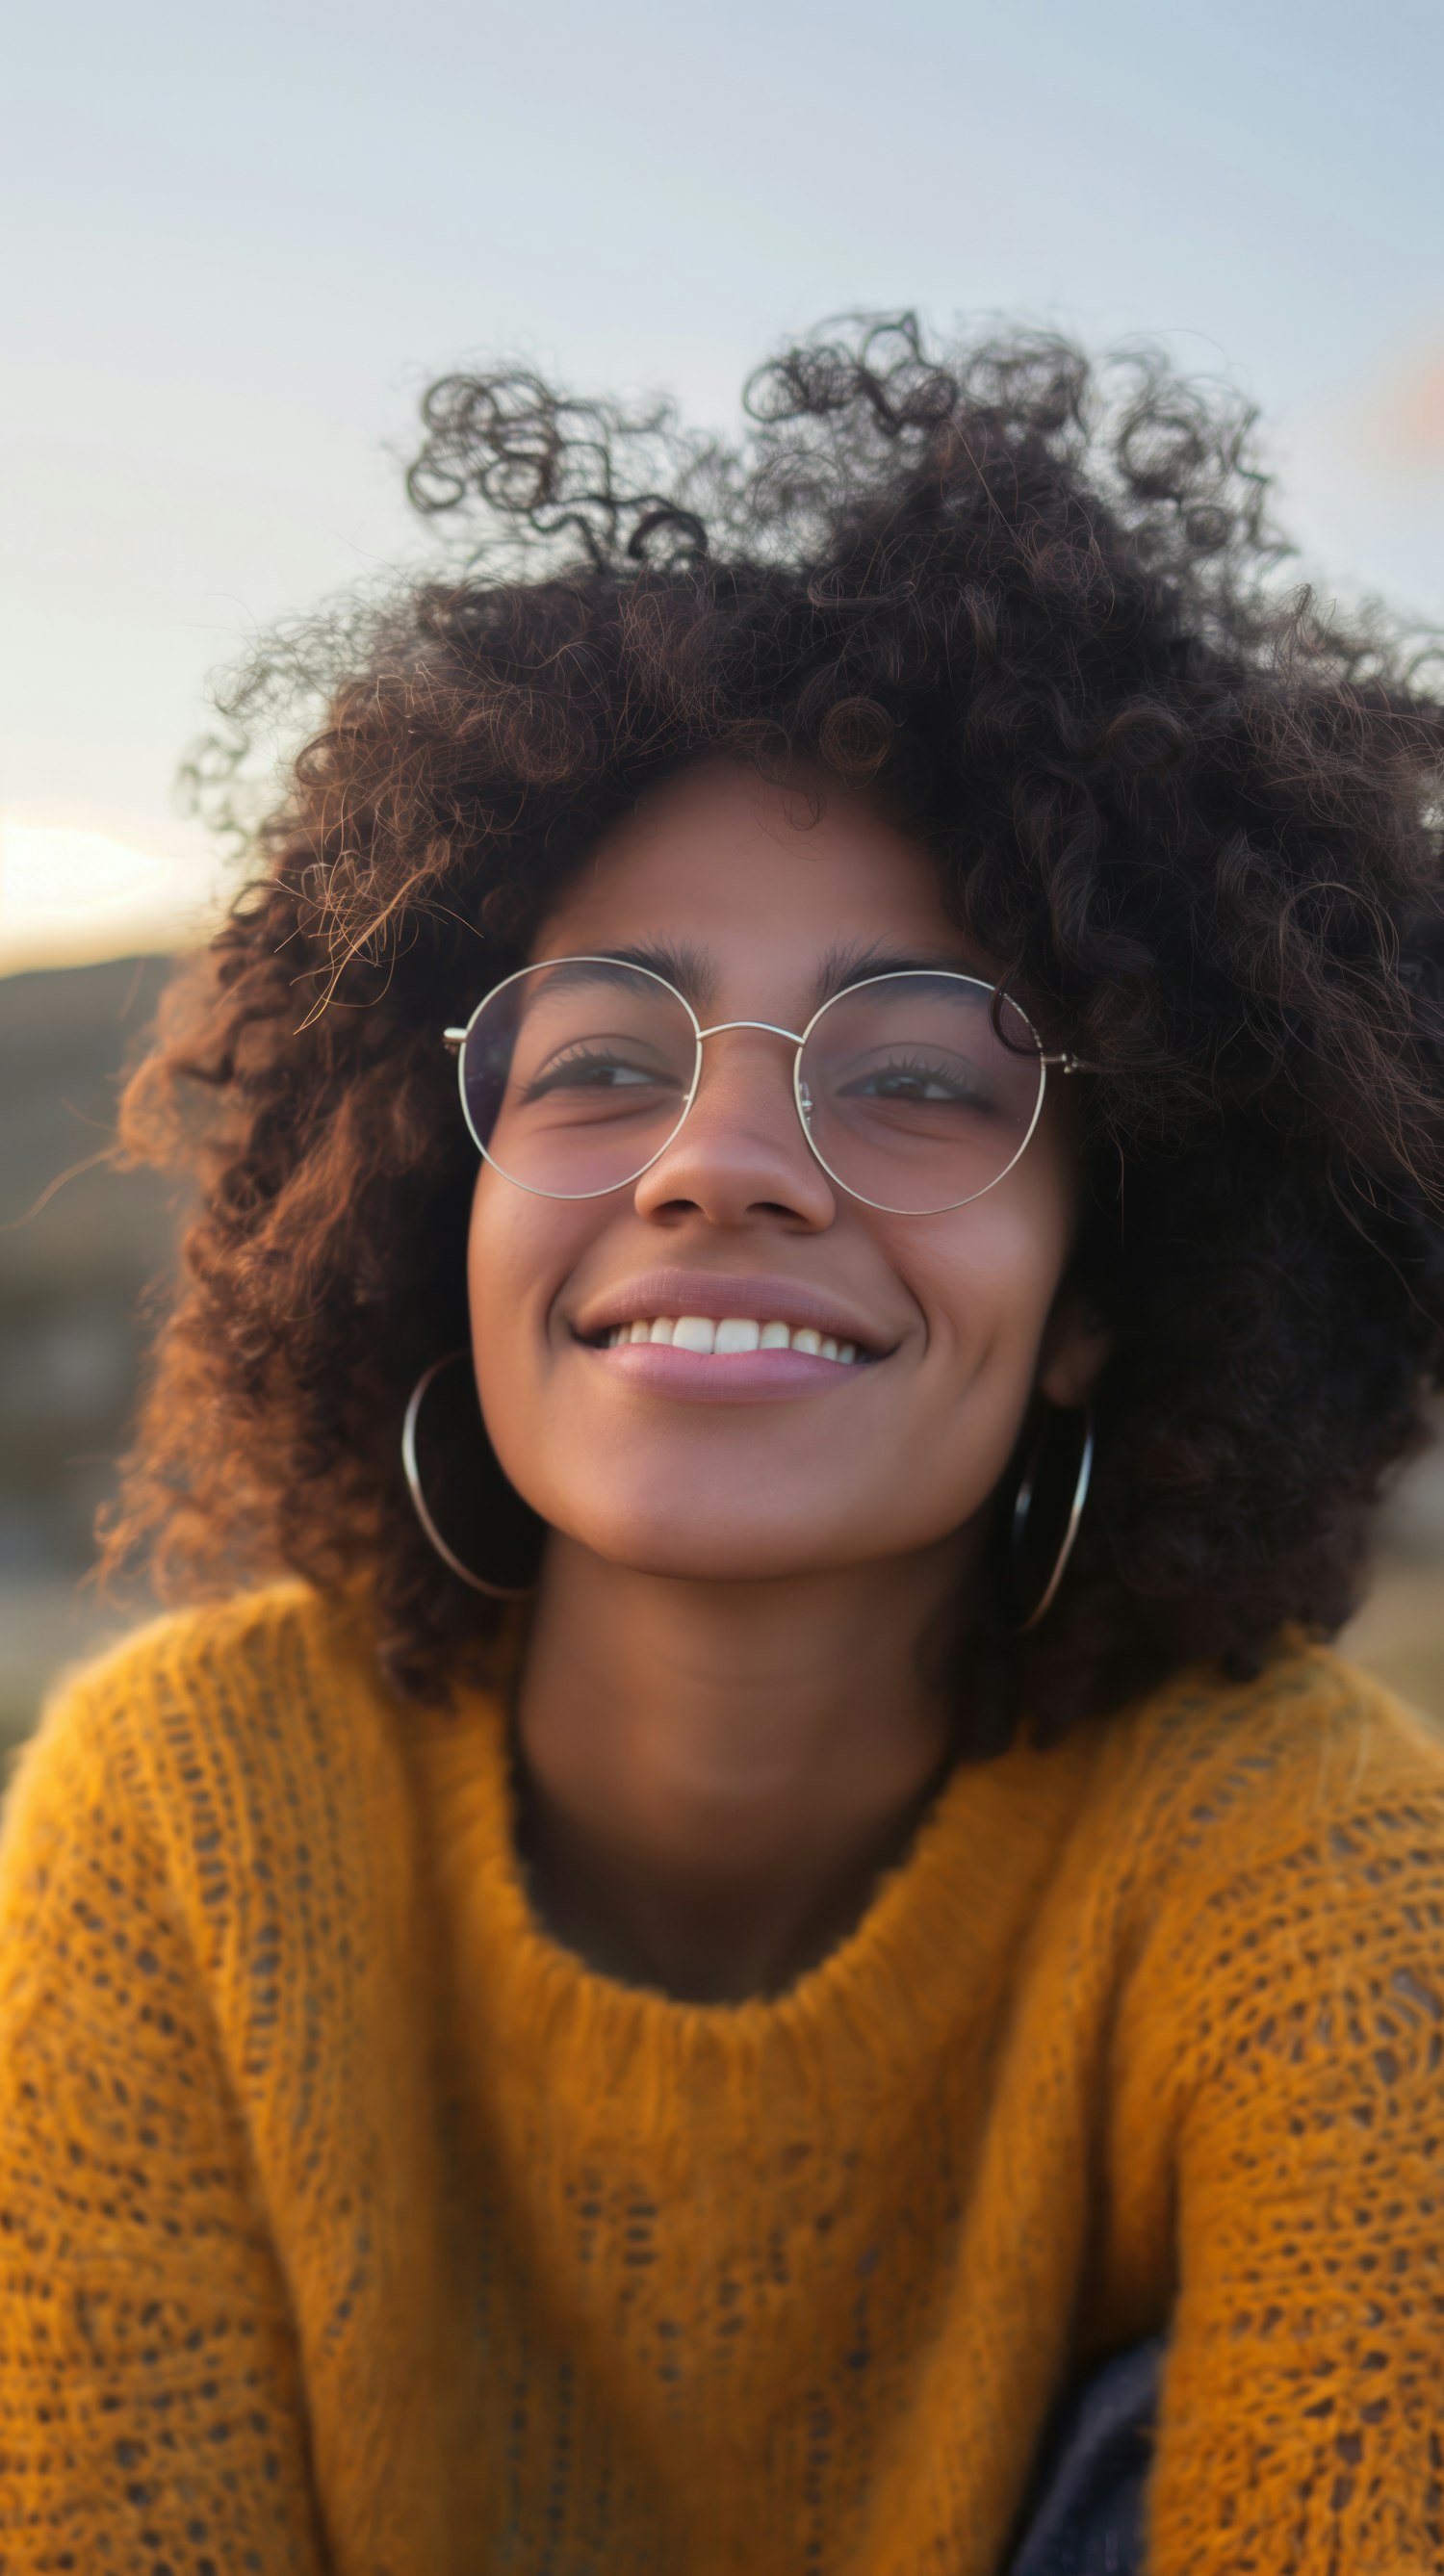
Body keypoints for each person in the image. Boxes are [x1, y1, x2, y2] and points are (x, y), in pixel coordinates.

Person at [1, 319, 1442, 2576]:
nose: (719, 1161)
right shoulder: (191, 1831)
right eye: (598, 1059)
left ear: (1096, 1304)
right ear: (432, 1196)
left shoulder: (1299, 1871)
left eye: (925, 1076)